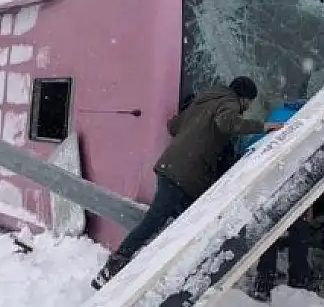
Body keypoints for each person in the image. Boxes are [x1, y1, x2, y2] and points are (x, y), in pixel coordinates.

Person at [92, 76, 271, 290]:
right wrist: (262, 126)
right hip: (185, 173)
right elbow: (226, 123)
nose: (248, 107)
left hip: (172, 167)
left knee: (188, 222)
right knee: (156, 220)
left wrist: (197, 128)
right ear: (244, 98)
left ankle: (175, 272)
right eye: (249, 103)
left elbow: (174, 126)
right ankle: (114, 265)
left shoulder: (205, 100)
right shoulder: (229, 103)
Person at [238, 98, 317, 302]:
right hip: (289, 177)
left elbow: (250, 145)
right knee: (299, 230)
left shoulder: (278, 114)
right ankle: (298, 282)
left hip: (264, 175)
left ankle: (263, 284)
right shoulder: (308, 119)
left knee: (269, 232)